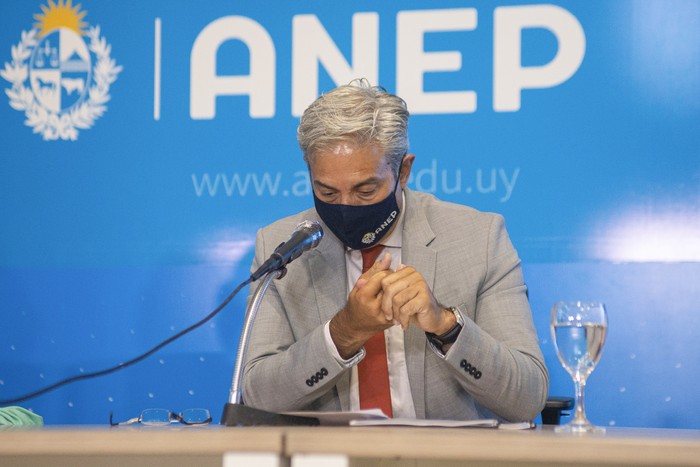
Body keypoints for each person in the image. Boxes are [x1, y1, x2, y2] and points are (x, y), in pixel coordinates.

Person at [241, 79, 548, 422]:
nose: (345, 207)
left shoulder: (479, 238)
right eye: (326, 192)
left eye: (365, 190)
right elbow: (257, 398)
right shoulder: (283, 247)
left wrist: (446, 325)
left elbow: (527, 398)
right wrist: (345, 331)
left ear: (403, 171)